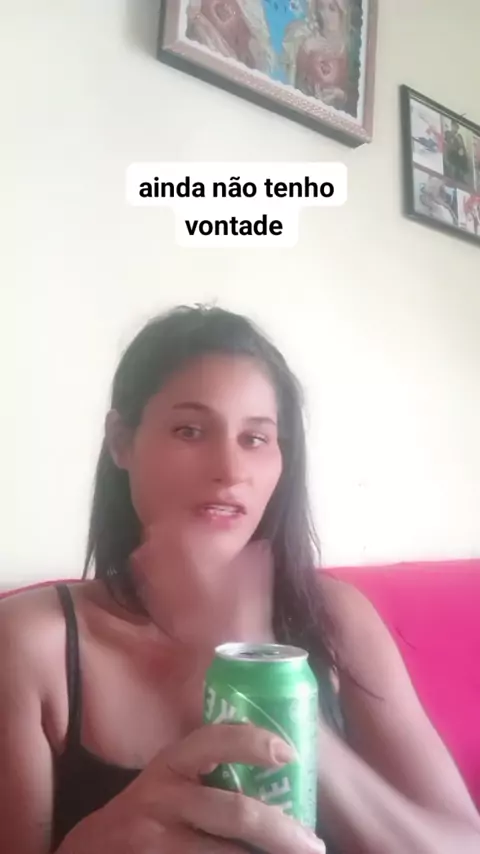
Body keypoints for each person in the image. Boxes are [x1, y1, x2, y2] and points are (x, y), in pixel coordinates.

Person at [1, 305, 479, 854]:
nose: (229, 471)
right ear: (121, 442)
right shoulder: (29, 644)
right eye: (189, 430)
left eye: (255, 438)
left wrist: (286, 713)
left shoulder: (335, 617)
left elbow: (462, 845)